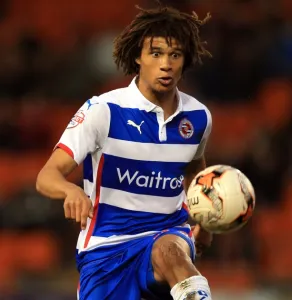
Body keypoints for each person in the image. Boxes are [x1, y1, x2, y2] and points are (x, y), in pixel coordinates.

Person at [36, 3, 213, 300]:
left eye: (175, 55)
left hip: (167, 234)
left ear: (186, 60)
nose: (166, 64)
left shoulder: (198, 117)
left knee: (170, 250)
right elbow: (47, 176)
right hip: (106, 250)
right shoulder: (103, 110)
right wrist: (71, 191)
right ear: (138, 57)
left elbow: (196, 171)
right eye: (155, 54)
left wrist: (206, 224)